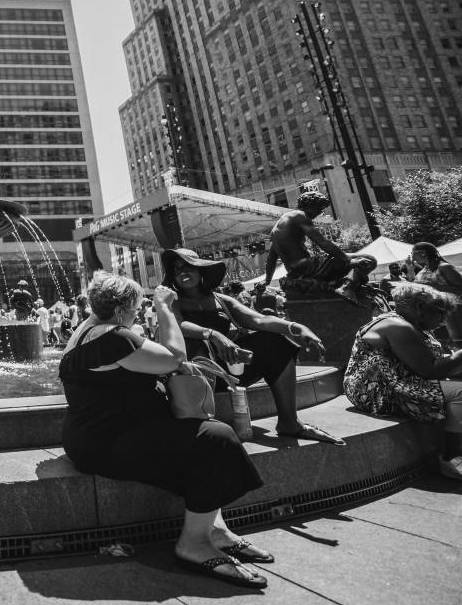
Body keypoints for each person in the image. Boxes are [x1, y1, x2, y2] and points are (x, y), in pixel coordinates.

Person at [59, 273, 268, 588]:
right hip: (106, 441)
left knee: (202, 438)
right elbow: (174, 357)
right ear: (120, 311)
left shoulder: (89, 330)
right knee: (217, 438)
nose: (137, 314)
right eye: (135, 309)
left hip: (105, 433)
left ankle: (215, 530)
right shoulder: (114, 339)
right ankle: (194, 545)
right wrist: (164, 308)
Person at [162, 248, 344, 445]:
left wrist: (296, 327)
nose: (182, 272)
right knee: (194, 344)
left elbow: (259, 320)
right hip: (196, 375)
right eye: (177, 269)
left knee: (276, 342)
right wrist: (213, 334)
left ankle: (289, 422)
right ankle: (201, 426)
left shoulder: (221, 299)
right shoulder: (172, 301)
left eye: (188, 266)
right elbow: (178, 324)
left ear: (201, 270)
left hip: (231, 369)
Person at [343, 282, 462, 479]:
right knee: (460, 392)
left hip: (400, 380)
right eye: (440, 312)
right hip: (376, 390)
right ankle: (452, 458)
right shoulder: (397, 326)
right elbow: (430, 370)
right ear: (420, 307)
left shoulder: (412, 324)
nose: (444, 319)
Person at [264, 191, 376, 305]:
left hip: (294, 271)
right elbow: (323, 242)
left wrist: (267, 281)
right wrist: (348, 259)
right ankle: (347, 288)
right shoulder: (300, 216)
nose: (320, 212)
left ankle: (341, 285)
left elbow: (271, 259)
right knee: (369, 259)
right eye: (319, 208)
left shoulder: (277, 227)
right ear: (309, 205)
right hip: (309, 267)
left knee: (345, 266)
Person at [409, 242, 462, 344]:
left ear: (423, 253)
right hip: (434, 312)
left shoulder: (444, 267)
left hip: (453, 311)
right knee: (444, 344)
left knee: (458, 342)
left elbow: (460, 288)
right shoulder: (425, 269)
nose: (412, 255)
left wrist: (433, 287)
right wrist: (410, 268)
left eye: (413, 252)